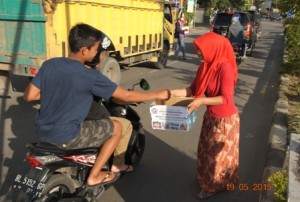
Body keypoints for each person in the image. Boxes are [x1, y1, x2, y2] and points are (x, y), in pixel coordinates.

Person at [23, 23, 170, 187]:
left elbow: (29, 96)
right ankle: (95, 175)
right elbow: (126, 96)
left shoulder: (50, 64)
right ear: (84, 50)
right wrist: (158, 94)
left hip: (42, 131)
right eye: (95, 49)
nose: (97, 53)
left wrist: (58, 90)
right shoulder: (89, 75)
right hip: (67, 135)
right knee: (117, 128)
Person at [169, 32, 240, 200]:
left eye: (201, 50)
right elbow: (193, 90)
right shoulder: (205, 66)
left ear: (213, 49)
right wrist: (171, 93)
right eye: (198, 50)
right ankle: (207, 179)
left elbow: (225, 98)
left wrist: (201, 102)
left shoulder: (225, 67)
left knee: (217, 156)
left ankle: (213, 187)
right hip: (211, 116)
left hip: (225, 119)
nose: (198, 54)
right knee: (206, 151)